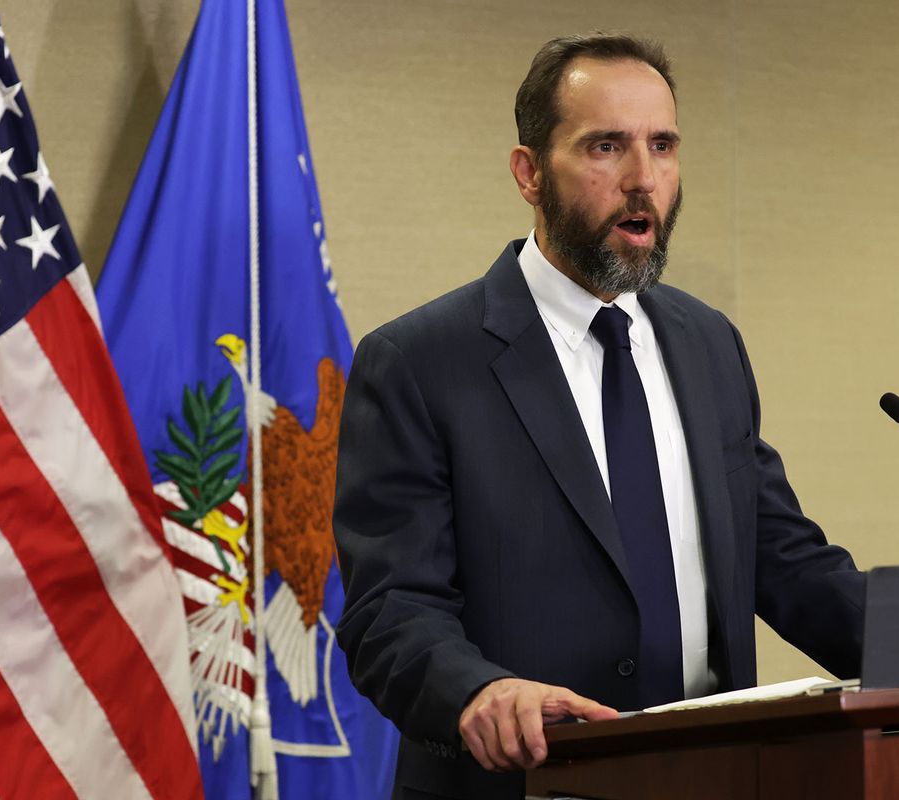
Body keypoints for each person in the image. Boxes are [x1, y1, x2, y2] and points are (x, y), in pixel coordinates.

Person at [332, 33, 865, 800]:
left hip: (712, 776)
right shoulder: (419, 362)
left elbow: (781, 559)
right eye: (606, 147)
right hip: (520, 784)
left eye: (663, 145)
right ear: (528, 172)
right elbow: (391, 608)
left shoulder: (708, 342)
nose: (643, 179)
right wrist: (478, 692)